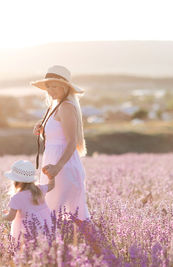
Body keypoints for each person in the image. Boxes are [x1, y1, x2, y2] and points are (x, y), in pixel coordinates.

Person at [31, 65, 101, 254]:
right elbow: (57, 138)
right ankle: (64, 253)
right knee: (59, 211)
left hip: (63, 166)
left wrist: (57, 167)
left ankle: (101, 253)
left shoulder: (67, 107)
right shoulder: (55, 106)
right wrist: (42, 129)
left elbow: (71, 143)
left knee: (69, 211)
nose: (51, 90)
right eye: (48, 86)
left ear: (65, 87)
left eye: (55, 86)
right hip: (53, 164)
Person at [2, 159, 55, 247]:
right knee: (44, 247)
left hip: (26, 230)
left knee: (26, 248)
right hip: (44, 225)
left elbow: (11, 217)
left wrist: (3, 215)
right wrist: (51, 176)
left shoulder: (16, 198)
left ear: (16, 181)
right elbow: (52, 185)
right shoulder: (40, 189)